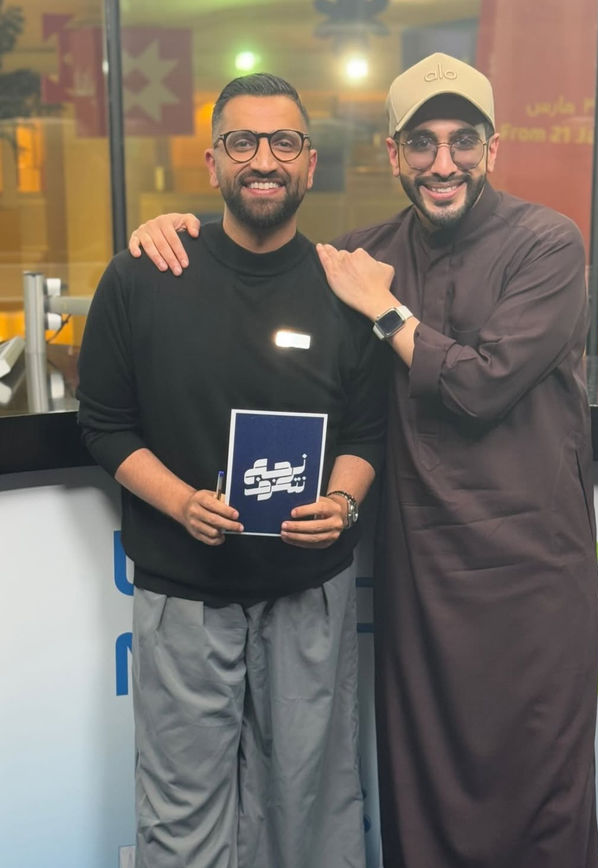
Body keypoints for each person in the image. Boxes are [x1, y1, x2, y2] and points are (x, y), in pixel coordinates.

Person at [129, 53, 598, 868]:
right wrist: (175, 231)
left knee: (538, 789)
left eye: (463, 141)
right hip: (422, 576)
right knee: (421, 784)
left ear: (494, 148)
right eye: (421, 143)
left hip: (530, 576)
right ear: (393, 154)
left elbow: (481, 386)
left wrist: (384, 310)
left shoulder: (547, 244)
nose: (443, 163)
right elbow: (261, 258)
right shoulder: (360, 252)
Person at [77, 73, 387, 868]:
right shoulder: (144, 275)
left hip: (309, 593)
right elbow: (104, 424)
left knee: (311, 815)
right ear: (213, 160)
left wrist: (343, 501)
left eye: (284, 141)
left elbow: (368, 430)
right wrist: (182, 502)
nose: (264, 159)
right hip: (185, 593)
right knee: (182, 820)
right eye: (242, 141)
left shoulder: (343, 289)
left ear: (310, 163)